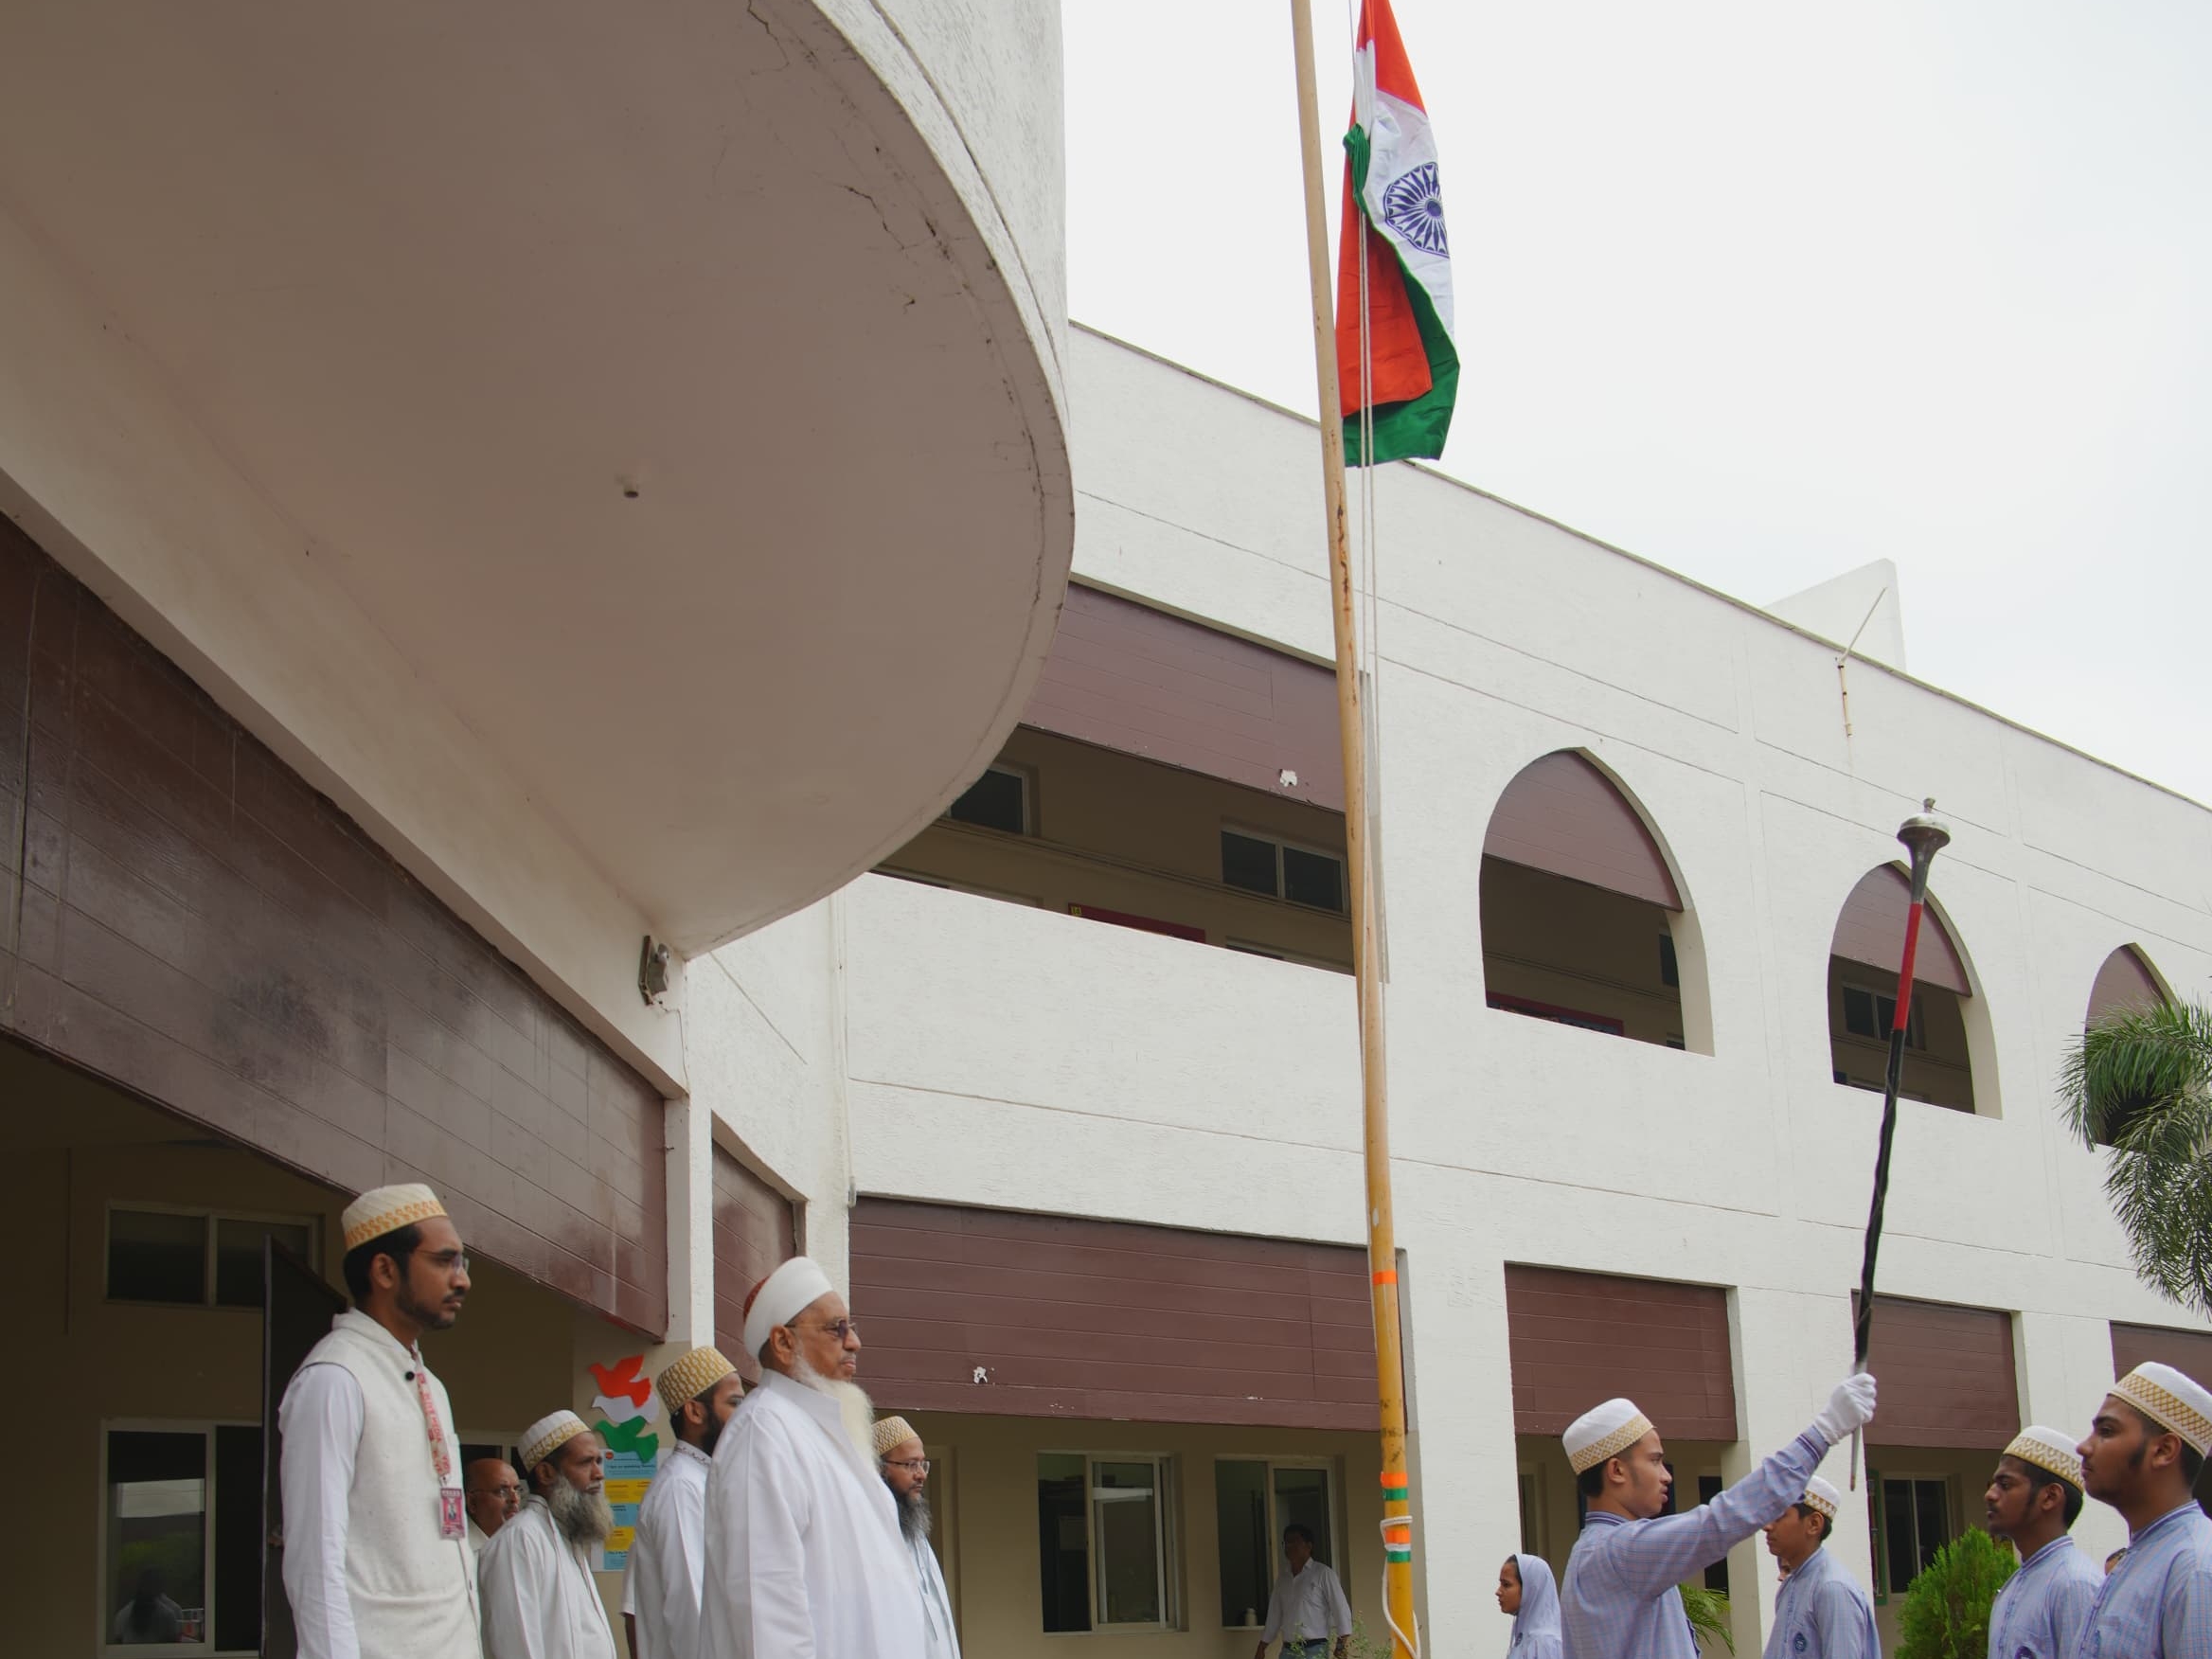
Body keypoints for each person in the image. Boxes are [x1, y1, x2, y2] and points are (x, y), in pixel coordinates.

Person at [277, 1183, 481, 1659]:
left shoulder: (429, 1382)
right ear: (386, 1270)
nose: (462, 1280)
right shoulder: (335, 1378)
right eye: (444, 1261)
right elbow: (314, 1559)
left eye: (462, 1263)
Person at [1560, 1372, 1878, 1659]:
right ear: (1616, 1470)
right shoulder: (1621, 1551)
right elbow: (1720, 1521)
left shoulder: (1587, 1554)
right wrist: (1825, 1431)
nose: (1666, 1475)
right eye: (1655, 1461)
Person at [697, 1256, 923, 1658]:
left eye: (851, 1328)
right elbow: (764, 1617)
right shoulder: (763, 1435)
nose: (854, 1341)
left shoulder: (825, 1432)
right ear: (784, 1342)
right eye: (837, 1329)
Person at [2074, 1362, 2212, 1658]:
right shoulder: (2138, 1558)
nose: (2084, 1447)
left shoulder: (2196, 1568)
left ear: (2163, 1451)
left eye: (2107, 1431)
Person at [623, 1347, 743, 1659]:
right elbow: (693, 1609)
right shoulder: (680, 1488)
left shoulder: (704, 1480)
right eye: (734, 1404)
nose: (744, 1418)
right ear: (695, 1412)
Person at [479, 1412, 616, 1659]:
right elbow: (517, 1646)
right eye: (586, 1462)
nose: (598, 1474)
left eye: (599, 1461)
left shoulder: (568, 1537)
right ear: (545, 1473)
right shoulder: (519, 1540)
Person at [1983, 1425, 2099, 1659]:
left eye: (2005, 1485)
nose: (1990, 1495)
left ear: (2050, 1497)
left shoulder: (2075, 1585)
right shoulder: (2013, 1586)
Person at [1759, 1475, 1877, 1659]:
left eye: (1779, 1515)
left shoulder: (1832, 1589)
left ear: (1814, 1524)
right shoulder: (1791, 1585)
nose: (1766, 1526)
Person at [874, 1415, 960, 1659]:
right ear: (879, 1469)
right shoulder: (872, 1538)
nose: (921, 1474)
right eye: (911, 1464)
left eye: (924, 1464)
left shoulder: (916, 1534)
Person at [1252, 1522, 1353, 1659]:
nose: (1289, 1546)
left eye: (1295, 1542)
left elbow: (1340, 1609)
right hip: (1288, 1649)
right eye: (1286, 1542)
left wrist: (1341, 1645)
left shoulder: (1323, 1573)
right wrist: (1261, 1648)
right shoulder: (1283, 1578)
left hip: (1315, 1648)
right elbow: (1274, 1616)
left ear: (1309, 1546)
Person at [1498, 1554, 1564, 1659]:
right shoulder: (1524, 1637)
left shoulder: (1544, 1642)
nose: (1498, 1592)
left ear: (1530, 1589)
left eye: (1506, 1585)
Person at [467, 1458, 525, 1556]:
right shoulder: (458, 1550)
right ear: (472, 1502)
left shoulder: (522, 1543)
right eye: (502, 1492)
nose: (514, 1499)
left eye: (517, 1490)